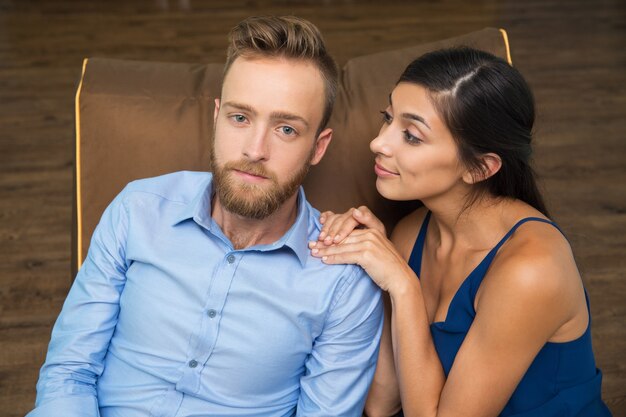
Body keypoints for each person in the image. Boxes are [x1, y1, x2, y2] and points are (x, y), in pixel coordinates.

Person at [28, 16, 383, 417]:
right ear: (216, 117)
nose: (255, 149)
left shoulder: (343, 280)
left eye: (285, 129)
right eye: (240, 118)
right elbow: (70, 372)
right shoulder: (138, 209)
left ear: (318, 148)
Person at [310, 47, 612, 417]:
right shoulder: (410, 233)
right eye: (387, 118)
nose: (379, 143)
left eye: (412, 135)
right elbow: (382, 402)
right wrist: (377, 266)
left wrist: (404, 286)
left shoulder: (531, 270)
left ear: (480, 168)